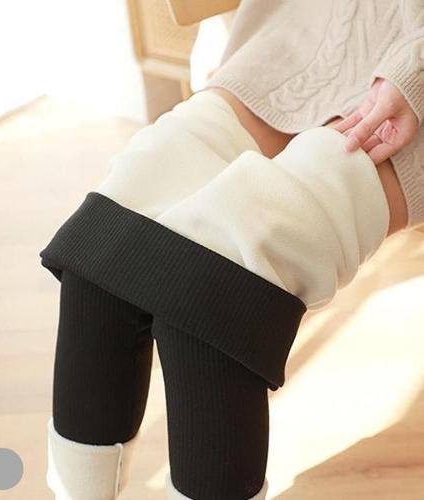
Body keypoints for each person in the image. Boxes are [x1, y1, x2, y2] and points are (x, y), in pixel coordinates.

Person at [40, 1, 424, 498]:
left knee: (216, 289)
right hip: (300, 30)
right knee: (107, 245)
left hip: (408, 73)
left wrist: (414, 71)